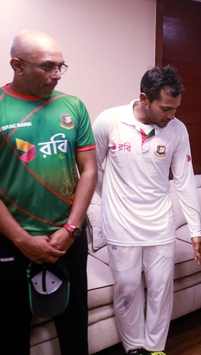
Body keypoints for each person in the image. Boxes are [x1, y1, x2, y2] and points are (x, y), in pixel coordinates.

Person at [93, 65, 201, 355]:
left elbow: (184, 180)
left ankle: (155, 348)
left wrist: (196, 230)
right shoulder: (110, 121)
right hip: (120, 225)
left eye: (176, 108)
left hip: (160, 224)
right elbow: (91, 167)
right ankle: (134, 348)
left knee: (159, 289)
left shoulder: (177, 130)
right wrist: (112, 196)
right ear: (144, 99)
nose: (172, 115)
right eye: (166, 108)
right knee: (127, 288)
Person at [0, 30, 98, 354]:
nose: (57, 75)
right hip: (13, 240)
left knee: (74, 329)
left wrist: (71, 228)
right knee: (10, 331)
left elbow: (89, 170)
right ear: (17, 65)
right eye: (47, 67)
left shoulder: (72, 106)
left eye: (60, 66)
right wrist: (22, 240)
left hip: (67, 236)